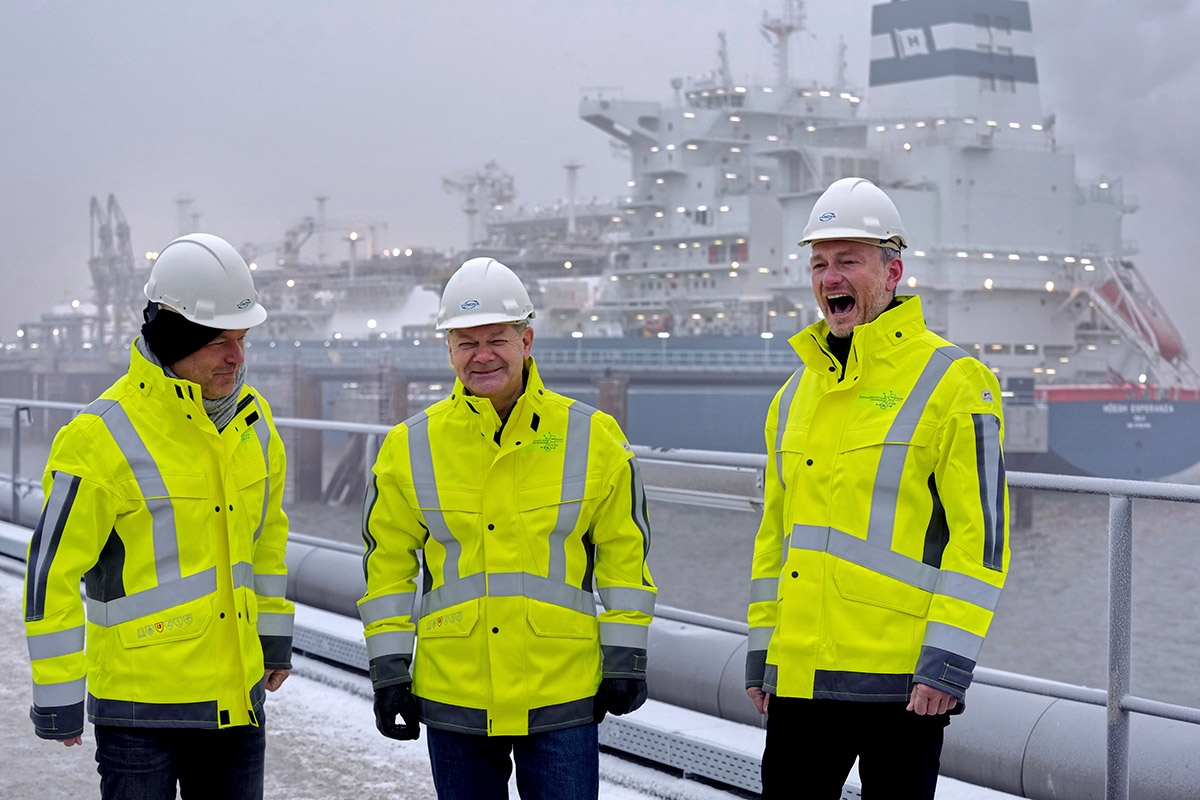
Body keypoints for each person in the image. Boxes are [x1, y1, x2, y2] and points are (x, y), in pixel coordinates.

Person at [745, 178, 1009, 799]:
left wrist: (947, 661)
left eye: (849, 261)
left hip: (904, 683)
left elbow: (981, 541)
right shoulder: (793, 395)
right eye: (819, 263)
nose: (831, 276)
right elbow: (775, 539)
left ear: (892, 272)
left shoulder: (954, 379)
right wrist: (763, 649)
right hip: (802, 677)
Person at [359, 257, 656, 799]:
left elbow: (623, 552)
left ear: (527, 340)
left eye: (496, 338)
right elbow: (388, 566)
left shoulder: (594, 436)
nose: (482, 355)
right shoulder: (409, 446)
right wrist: (389, 668)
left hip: (560, 690)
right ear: (448, 349)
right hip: (456, 694)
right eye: (466, 343)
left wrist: (627, 655)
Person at [22, 233, 294, 800]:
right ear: (173, 338)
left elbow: (266, 540)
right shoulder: (99, 437)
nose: (238, 358)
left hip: (237, 701)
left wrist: (272, 639)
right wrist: (58, 695)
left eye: (242, 340)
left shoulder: (253, 421)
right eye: (220, 342)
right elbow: (51, 573)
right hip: (140, 713)